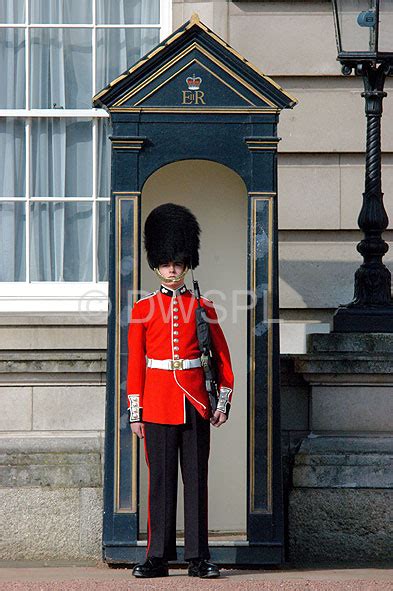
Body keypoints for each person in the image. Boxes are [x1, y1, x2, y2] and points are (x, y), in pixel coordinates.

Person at [126, 203, 234, 579]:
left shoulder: (203, 307)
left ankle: (198, 556)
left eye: (177, 262)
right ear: (157, 265)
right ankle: (157, 556)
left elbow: (222, 359)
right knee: (160, 482)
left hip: (194, 403)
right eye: (166, 262)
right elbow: (135, 366)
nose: (172, 268)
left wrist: (221, 402)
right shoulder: (142, 309)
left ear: (187, 264)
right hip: (156, 403)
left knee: (196, 480)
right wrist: (135, 413)